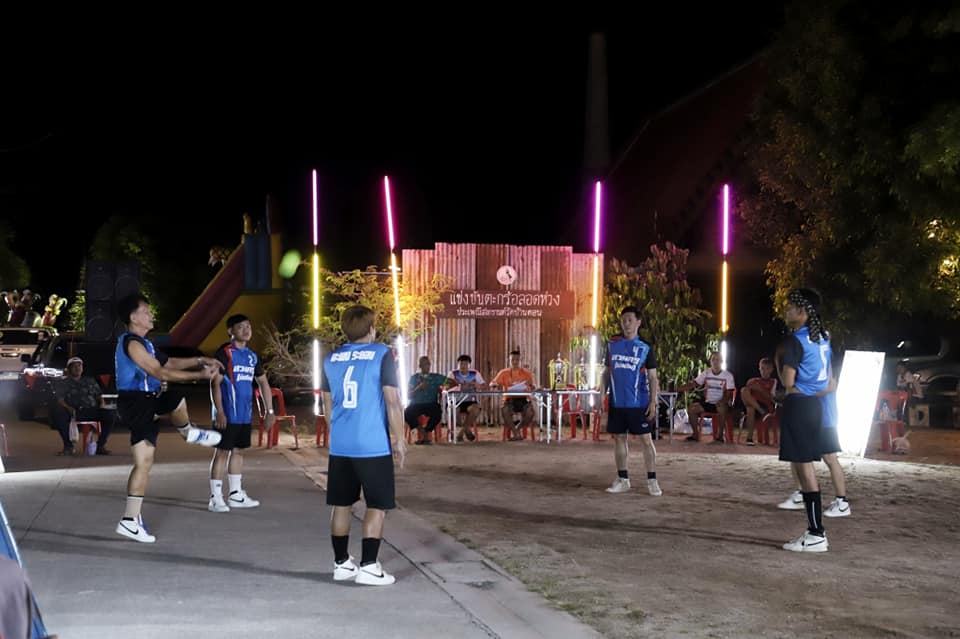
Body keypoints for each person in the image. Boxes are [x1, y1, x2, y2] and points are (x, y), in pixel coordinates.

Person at [113, 293, 224, 544]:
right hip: (137, 402)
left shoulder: (146, 344)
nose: (151, 315)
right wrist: (200, 376)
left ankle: (129, 520)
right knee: (175, 398)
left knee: (143, 462)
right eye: (146, 311)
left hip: (143, 402)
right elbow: (159, 371)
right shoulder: (132, 344)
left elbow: (170, 362)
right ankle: (188, 432)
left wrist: (200, 360)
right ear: (133, 317)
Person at [321, 305, 405, 586]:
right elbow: (392, 400)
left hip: (341, 444)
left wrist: (338, 434)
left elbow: (327, 404)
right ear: (371, 328)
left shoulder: (331, 358)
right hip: (372, 444)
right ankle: (369, 566)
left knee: (341, 504)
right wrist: (400, 439)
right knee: (377, 505)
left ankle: (341, 563)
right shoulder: (381, 354)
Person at [775, 287, 833, 552]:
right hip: (815, 406)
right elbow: (829, 382)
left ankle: (816, 533)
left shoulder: (795, 340)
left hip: (798, 406)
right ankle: (815, 532)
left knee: (805, 469)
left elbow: (788, 381)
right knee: (804, 466)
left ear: (802, 311)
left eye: (790, 307)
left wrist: (782, 369)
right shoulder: (823, 338)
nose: (786, 311)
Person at [208, 314, 275, 513]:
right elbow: (215, 384)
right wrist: (219, 411)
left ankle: (236, 494)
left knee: (238, 451)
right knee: (222, 452)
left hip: (244, 414)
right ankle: (215, 498)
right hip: (227, 414)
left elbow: (263, 382)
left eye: (248, 327)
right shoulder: (224, 353)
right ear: (230, 331)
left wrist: (270, 411)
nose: (246, 330)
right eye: (241, 327)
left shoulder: (252, 356)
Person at [601, 305, 662, 496]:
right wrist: (602, 395)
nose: (626, 324)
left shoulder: (645, 348)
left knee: (646, 440)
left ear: (638, 322)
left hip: (638, 403)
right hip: (617, 402)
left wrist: (652, 402)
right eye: (623, 320)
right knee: (619, 438)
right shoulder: (612, 344)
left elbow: (653, 377)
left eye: (629, 320)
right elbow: (606, 372)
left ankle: (652, 480)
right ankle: (623, 479)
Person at [777, 368, 851, 518]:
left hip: (825, 418)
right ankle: (801, 494)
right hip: (811, 417)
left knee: (830, 458)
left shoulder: (822, 363)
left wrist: (798, 392)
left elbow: (830, 386)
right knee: (797, 455)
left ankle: (842, 502)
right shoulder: (813, 365)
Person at [49, 356, 116, 456]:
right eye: (74, 366)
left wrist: (102, 404)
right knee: (59, 414)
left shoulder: (90, 381)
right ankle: (68, 446)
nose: (77, 368)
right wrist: (68, 408)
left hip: (91, 409)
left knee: (110, 414)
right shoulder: (63, 383)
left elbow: (99, 395)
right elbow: (60, 400)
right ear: (69, 369)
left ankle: (100, 446)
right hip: (73, 411)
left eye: (79, 366)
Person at [677, 351, 736, 442]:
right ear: (710, 361)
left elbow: (729, 394)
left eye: (718, 359)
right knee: (692, 408)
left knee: (721, 407)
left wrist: (722, 401)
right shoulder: (706, 373)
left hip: (723, 404)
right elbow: (694, 384)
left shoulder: (728, 375)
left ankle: (720, 436)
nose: (715, 362)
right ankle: (695, 435)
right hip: (709, 403)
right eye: (713, 359)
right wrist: (677, 389)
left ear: (721, 361)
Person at [490, 350, 537, 441]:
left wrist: (531, 386)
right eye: (512, 360)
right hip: (509, 399)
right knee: (504, 410)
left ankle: (517, 429)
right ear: (509, 360)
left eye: (517, 360)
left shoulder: (527, 373)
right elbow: (492, 383)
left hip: (523, 399)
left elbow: (534, 386)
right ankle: (516, 433)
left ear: (520, 360)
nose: (515, 362)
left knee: (530, 412)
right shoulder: (504, 372)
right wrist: (494, 385)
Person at [404, 356, 450, 445]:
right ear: (420, 366)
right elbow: (409, 396)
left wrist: (447, 386)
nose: (427, 366)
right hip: (416, 404)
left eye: (428, 364)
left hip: (431, 403)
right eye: (425, 364)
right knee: (407, 413)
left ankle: (427, 430)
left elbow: (450, 381)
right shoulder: (414, 378)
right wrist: (419, 388)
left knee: (437, 413)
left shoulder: (436, 377)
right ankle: (421, 430)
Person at [448, 354, 486, 442]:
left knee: (476, 409)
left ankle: (461, 433)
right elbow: (446, 387)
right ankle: (467, 431)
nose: (463, 366)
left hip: (470, 402)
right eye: (461, 364)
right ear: (458, 365)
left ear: (469, 365)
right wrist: (457, 385)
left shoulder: (475, 373)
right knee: (453, 410)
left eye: (465, 364)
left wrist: (476, 385)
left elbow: (483, 386)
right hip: (455, 401)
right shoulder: (453, 374)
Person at [741, 357, 778, 446]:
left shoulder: (774, 381)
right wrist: (751, 387)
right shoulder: (753, 380)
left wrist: (760, 389)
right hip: (756, 406)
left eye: (767, 369)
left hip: (765, 405)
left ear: (771, 370)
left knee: (750, 409)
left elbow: (773, 399)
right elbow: (745, 395)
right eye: (762, 368)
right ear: (759, 368)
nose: (764, 371)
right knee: (744, 390)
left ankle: (749, 438)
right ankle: (762, 411)